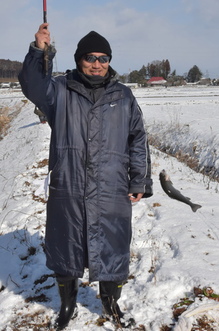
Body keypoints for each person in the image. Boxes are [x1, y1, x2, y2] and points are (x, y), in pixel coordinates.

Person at [19, 23, 153, 330]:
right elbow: (33, 86)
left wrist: (139, 181)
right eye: (90, 57)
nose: (97, 63)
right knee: (65, 247)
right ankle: (67, 304)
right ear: (80, 59)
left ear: (109, 61)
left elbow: (138, 138)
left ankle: (110, 302)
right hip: (70, 185)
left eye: (103, 58)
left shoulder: (124, 96)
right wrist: (40, 50)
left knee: (114, 248)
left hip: (112, 188)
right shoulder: (60, 90)